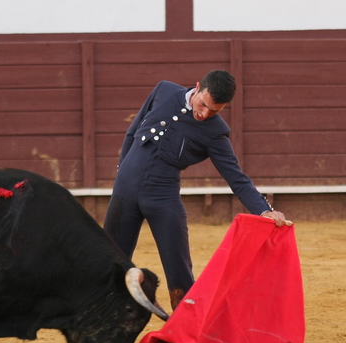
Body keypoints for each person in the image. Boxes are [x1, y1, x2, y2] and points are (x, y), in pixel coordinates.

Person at [103, 70, 287, 310]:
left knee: (179, 273)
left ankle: (185, 332)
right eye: (203, 105)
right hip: (124, 192)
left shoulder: (215, 132)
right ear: (198, 87)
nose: (204, 114)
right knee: (109, 262)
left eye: (214, 111)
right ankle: (102, 321)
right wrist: (123, 171)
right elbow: (132, 131)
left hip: (162, 197)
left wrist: (264, 210)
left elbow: (236, 177)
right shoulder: (164, 90)